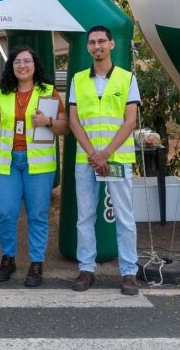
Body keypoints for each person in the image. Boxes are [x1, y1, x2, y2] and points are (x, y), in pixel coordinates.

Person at [0, 45, 68, 287]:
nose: (22, 65)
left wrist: (48, 121)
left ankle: (36, 263)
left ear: (35, 65)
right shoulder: (2, 94)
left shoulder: (48, 92)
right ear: (11, 67)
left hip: (39, 166)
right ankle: (8, 259)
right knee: (5, 212)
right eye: (17, 62)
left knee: (38, 214)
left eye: (26, 61)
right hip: (9, 162)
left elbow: (65, 127)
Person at [68, 25, 140, 296]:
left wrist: (105, 154)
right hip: (86, 159)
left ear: (111, 45)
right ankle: (86, 269)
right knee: (84, 216)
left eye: (101, 41)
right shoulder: (77, 79)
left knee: (125, 217)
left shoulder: (126, 78)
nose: (96, 46)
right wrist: (93, 154)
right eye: (92, 42)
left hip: (117, 158)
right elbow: (74, 121)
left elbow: (130, 120)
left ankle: (129, 272)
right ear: (88, 47)